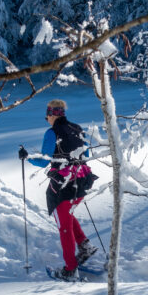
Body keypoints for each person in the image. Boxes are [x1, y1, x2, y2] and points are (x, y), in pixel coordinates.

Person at [20, 99, 97, 281]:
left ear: (52, 114)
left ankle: (70, 270)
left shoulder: (51, 132)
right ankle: (85, 246)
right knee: (67, 214)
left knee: (64, 227)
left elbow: (44, 160)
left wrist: (27, 156)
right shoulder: (78, 128)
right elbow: (85, 155)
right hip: (83, 179)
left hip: (63, 185)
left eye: (47, 115)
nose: (46, 118)